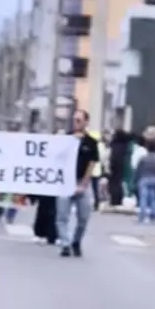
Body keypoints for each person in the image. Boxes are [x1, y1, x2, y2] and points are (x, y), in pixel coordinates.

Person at [57, 108, 99, 256]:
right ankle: (65, 243)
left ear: (86, 122)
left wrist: (84, 184)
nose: (76, 123)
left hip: (82, 181)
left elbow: (92, 163)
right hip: (65, 181)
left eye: (79, 120)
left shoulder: (91, 142)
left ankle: (76, 240)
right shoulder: (66, 139)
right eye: (74, 120)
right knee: (62, 215)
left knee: (84, 217)